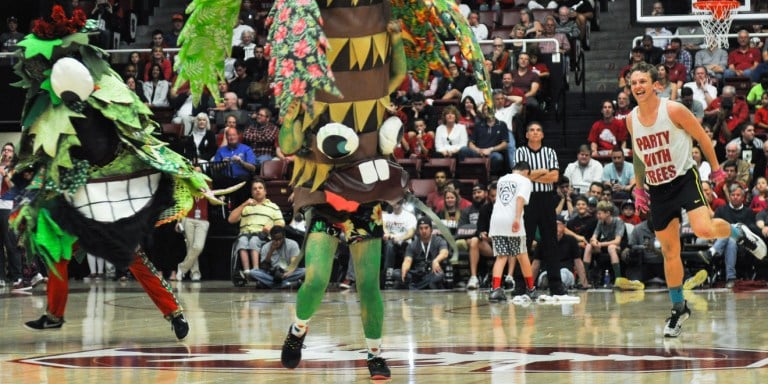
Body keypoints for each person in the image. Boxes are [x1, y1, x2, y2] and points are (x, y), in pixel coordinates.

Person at [626, 62, 766, 338]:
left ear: (656, 85)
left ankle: (738, 232)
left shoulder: (673, 109)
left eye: (643, 81)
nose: (638, 87)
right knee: (669, 252)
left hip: (684, 178)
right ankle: (679, 308)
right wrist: (640, 188)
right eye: (633, 83)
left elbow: (702, 136)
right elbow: (637, 155)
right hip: (657, 188)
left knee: (703, 228)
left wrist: (715, 169)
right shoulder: (631, 119)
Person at [514, 121, 571, 296]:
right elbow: (519, 176)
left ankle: (556, 284)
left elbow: (554, 177)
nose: (535, 133)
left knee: (551, 243)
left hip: (547, 200)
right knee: (524, 243)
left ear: (543, 135)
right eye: (531, 130)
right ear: (526, 134)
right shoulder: (520, 152)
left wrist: (531, 174)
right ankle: (520, 285)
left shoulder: (550, 152)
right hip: (527, 200)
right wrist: (542, 172)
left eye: (539, 130)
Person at [488, 161, 536, 302]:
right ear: (526, 171)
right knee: (522, 255)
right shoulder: (525, 181)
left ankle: (495, 290)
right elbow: (520, 199)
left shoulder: (502, 179)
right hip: (511, 220)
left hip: (496, 220)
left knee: (501, 256)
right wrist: (516, 218)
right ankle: (531, 289)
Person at [701, 184, 761, 289]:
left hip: (743, 246)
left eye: (738, 195)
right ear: (729, 196)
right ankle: (730, 278)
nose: (735, 197)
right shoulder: (721, 210)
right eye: (733, 195)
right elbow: (714, 228)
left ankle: (712, 251)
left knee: (730, 230)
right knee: (730, 239)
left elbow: (754, 231)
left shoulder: (749, 212)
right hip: (722, 243)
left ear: (743, 198)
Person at [228, 178, 285, 278]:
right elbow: (231, 220)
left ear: (265, 191)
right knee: (242, 241)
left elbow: (281, 222)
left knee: (254, 240)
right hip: (245, 233)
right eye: (255, 189)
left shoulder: (273, 206)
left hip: (263, 235)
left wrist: (271, 227)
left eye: (260, 188)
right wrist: (244, 204)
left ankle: (255, 270)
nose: (257, 190)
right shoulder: (246, 207)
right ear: (252, 192)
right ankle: (246, 272)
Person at [582, 201, 642, 290]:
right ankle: (584, 280)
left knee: (611, 248)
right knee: (588, 247)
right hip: (605, 244)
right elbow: (594, 237)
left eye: (600, 213)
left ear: (608, 213)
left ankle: (618, 280)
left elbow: (617, 241)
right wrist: (594, 242)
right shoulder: (600, 222)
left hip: (620, 246)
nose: (598, 216)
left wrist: (600, 244)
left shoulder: (618, 221)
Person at [400, 217, 450, 290]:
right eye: (421, 228)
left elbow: (445, 253)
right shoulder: (413, 244)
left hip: (432, 272)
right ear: (418, 230)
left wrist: (436, 261)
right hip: (417, 273)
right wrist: (404, 269)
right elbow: (407, 260)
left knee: (439, 274)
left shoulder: (439, 240)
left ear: (431, 229)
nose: (424, 231)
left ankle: (414, 287)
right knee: (397, 273)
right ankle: (424, 285)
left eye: (426, 228)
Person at [381, 199, 417, 285]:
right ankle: (386, 274)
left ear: (403, 202)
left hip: (403, 244)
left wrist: (399, 238)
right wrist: (387, 234)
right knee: (389, 245)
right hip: (388, 242)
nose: (396, 202)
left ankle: (388, 275)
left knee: (391, 245)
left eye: (399, 200)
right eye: (395, 200)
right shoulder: (386, 215)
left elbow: (411, 233)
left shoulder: (409, 216)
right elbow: (384, 227)